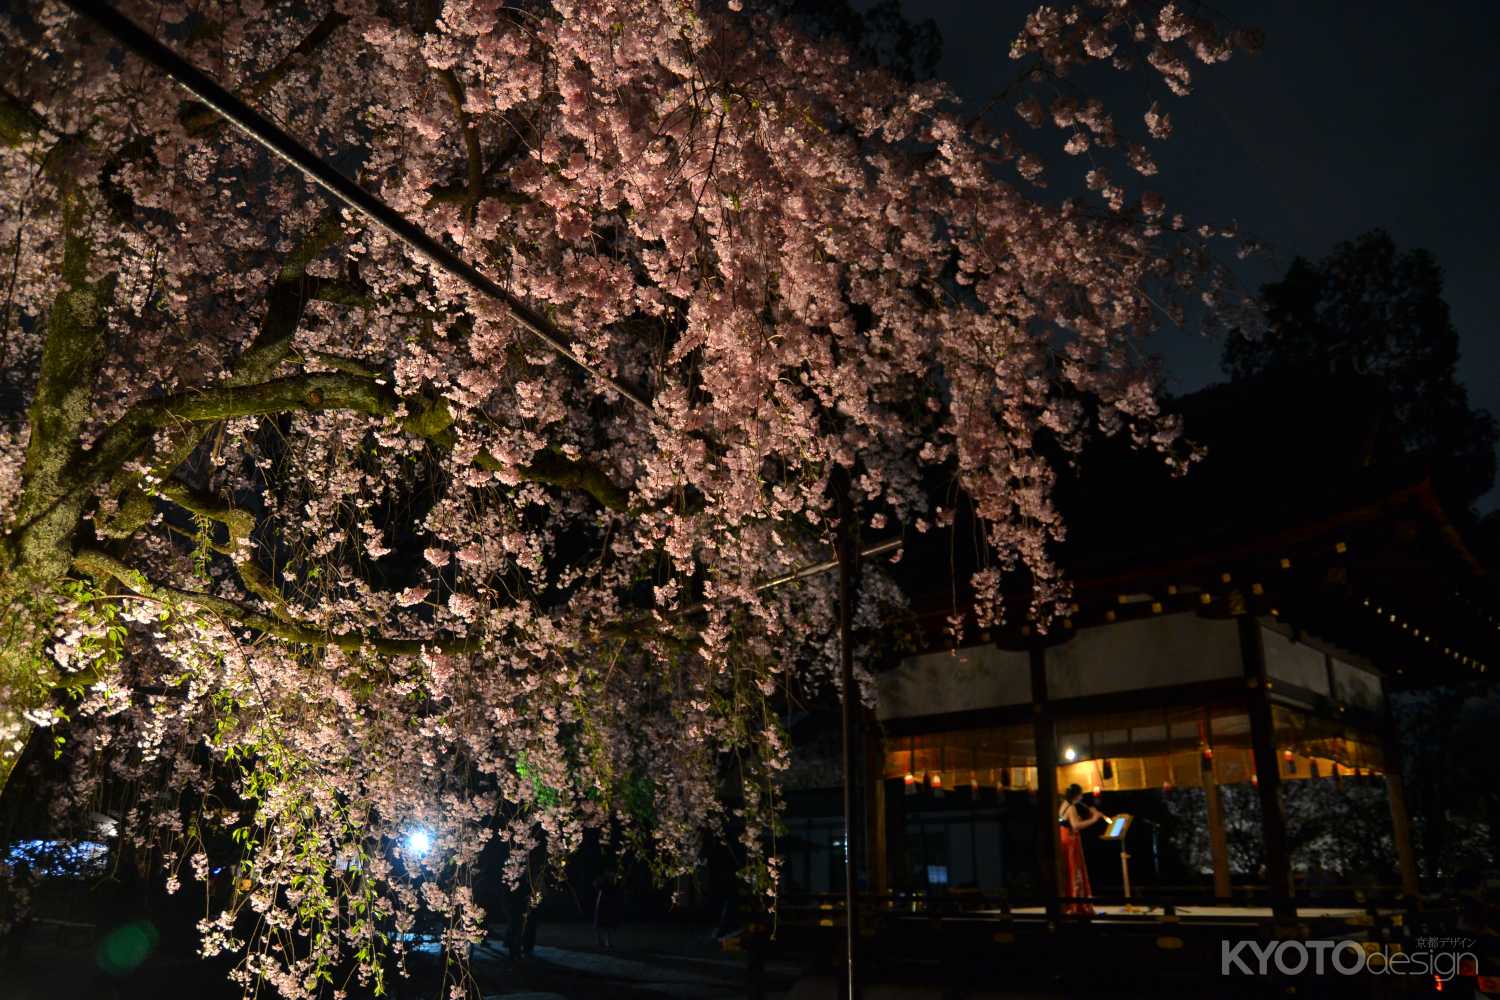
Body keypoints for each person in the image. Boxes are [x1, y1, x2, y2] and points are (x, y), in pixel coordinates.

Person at [1058, 783, 1110, 916]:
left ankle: (1069, 903)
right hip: (1070, 841)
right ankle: (1077, 905)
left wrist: (1089, 812)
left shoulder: (1064, 804)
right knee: (1075, 870)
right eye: (1081, 794)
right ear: (1077, 795)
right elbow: (1076, 826)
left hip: (1064, 838)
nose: (1082, 797)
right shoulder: (1072, 808)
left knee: (1069, 870)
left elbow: (1071, 821)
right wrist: (1094, 818)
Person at [592, 874, 621, 948]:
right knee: (601, 924)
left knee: (605, 924)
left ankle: (605, 942)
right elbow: (596, 885)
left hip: (606, 904)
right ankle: (601, 941)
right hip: (603, 904)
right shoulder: (603, 882)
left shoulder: (609, 884)